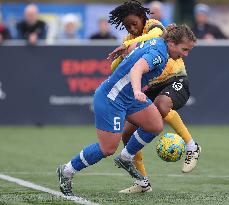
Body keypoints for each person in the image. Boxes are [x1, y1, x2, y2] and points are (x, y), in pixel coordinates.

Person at [57, 24, 196, 196]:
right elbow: (137, 69)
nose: (185, 54)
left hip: (128, 96)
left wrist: (126, 49)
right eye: (184, 49)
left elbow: (136, 46)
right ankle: (67, 170)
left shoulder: (157, 41)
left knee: (154, 125)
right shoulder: (159, 53)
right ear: (172, 43)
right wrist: (138, 90)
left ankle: (126, 157)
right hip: (112, 98)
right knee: (107, 149)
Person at [108, 0, 200, 193]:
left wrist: (131, 45)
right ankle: (142, 183)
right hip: (153, 85)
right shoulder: (128, 39)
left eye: (134, 23)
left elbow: (155, 34)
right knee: (127, 133)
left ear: (143, 18)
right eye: (127, 26)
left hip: (175, 79)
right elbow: (113, 68)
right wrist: (123, 54)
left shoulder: (153, 26)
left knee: (162, 105)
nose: (132, 28)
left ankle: (192, 146)